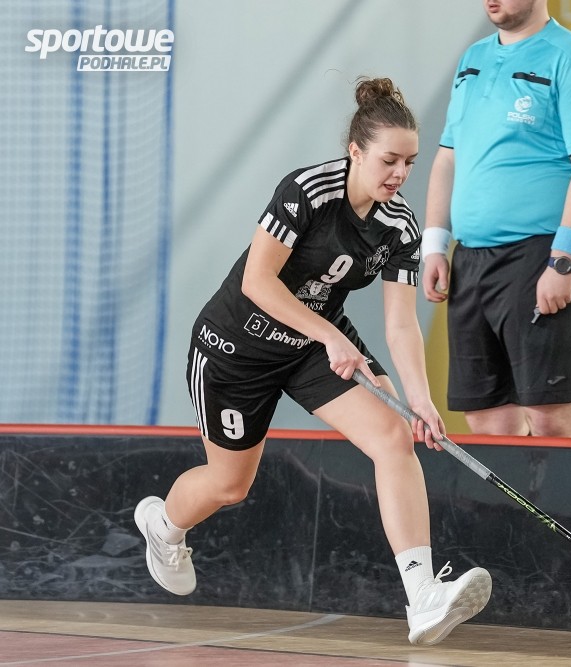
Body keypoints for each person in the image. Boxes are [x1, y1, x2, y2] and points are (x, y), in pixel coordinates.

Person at [133, 77, 492, 647]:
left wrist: (421, 400)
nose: (400, 174)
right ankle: (163, 526)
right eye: (389, 160)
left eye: (409, 162)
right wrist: (329, 335)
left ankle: (422, 596)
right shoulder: (307, 190)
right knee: (229, 486)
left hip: (309, 348)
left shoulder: (400, 227)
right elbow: (257, 281)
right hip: (235, 349)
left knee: (394, 436)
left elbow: (401, 324)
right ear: (356, 151)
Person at [421, 0, 571, 438]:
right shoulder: (472, 58)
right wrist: (434, 245)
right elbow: (448, 157)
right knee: (486, 417)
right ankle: (514, 492)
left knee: (549, 413)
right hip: (471, 258)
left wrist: (562, 261)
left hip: (538, 254)